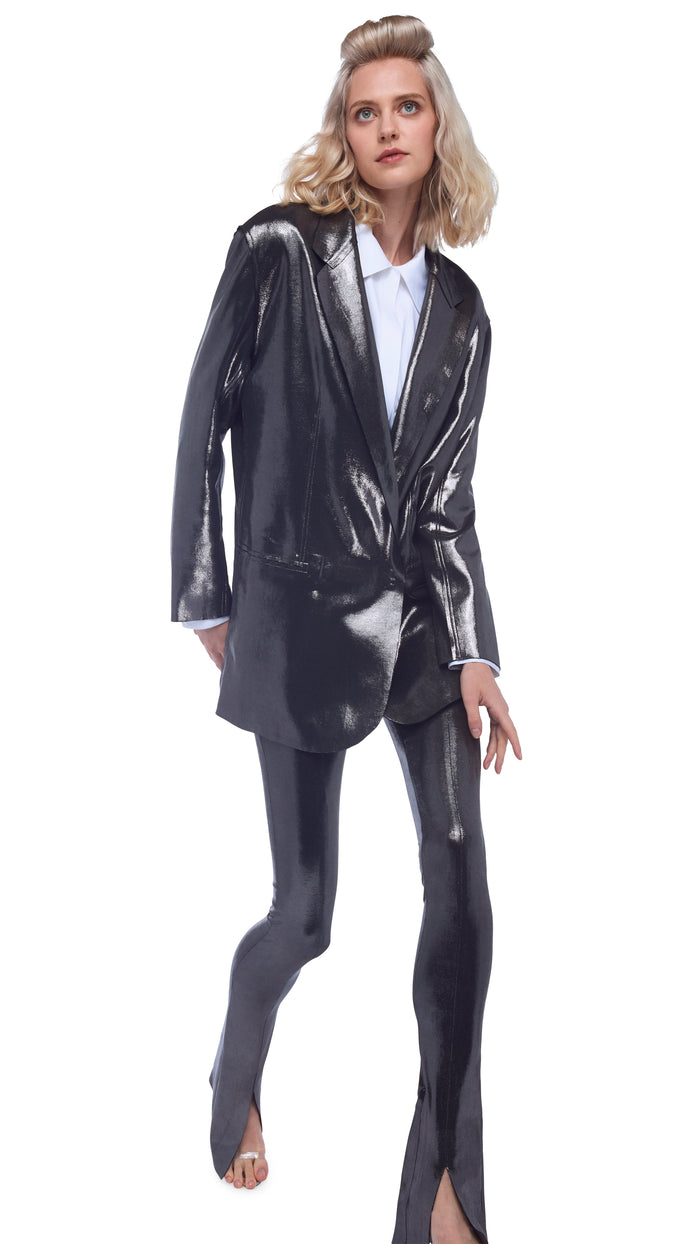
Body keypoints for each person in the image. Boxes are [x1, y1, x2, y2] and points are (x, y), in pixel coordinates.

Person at [170, 14, 522, 1244]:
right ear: (345, 130)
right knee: (306, 913)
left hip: (422, 626)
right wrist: (207, 594)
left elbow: (448, 501)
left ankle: (444, 1188)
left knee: (463, 891)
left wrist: (476, 650)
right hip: (301, 616)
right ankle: (234, 1072)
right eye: (364, 111)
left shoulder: (462, 308)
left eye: (406, 106)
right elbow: (204, 415)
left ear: (437, 124)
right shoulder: (277, 249)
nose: (386, 128)